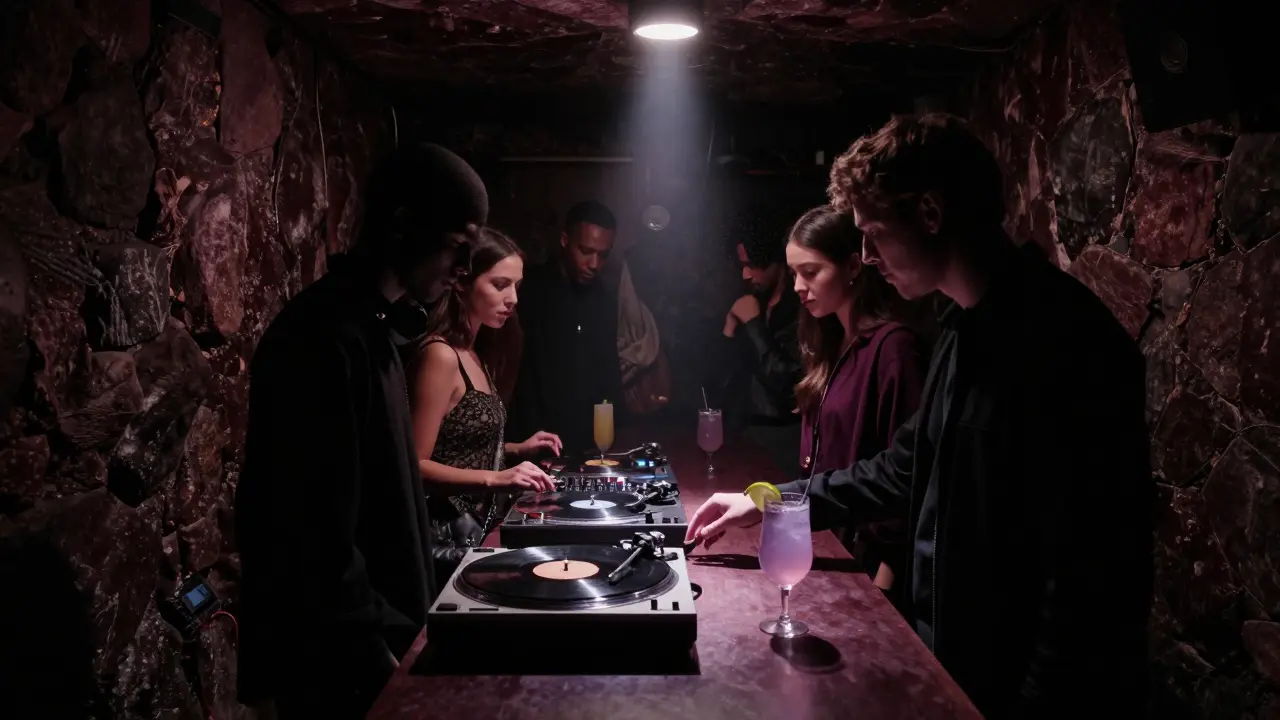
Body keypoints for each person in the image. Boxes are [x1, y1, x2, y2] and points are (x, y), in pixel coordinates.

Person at [685, 114, 1152, 718]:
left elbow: (1092, 575)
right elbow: (900, 470)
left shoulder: (1066, 337)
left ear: (930, 214)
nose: (869, 256)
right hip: (952, 659)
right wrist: (770, 499)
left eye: (874, 233)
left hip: (1013, 688)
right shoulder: (961, 325)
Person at [234, 143, 488, 718]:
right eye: (457, 247)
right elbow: (311, 533)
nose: (464, 270)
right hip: (342, 667)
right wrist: (381, 659)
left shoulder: (371, 331)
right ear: (404, 226)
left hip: (376, 647)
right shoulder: (324, 338)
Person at [785, 205, 924, 605]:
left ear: (852, 266)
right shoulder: (830, 341)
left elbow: (905, 476)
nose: (798, 285)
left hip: (868, 564)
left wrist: (885, 579)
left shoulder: (893, 348)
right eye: (794, 272)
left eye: (810, 272)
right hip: (828, 544)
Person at [405, 228, 560, 578]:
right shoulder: (440, 356)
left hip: (477, 529)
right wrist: (496, 478)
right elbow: (415, 464)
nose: (513, 299)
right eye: (500, 284)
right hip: (442, 538)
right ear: (461, 282)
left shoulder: (474, 353)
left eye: (516, 287)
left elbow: (459, 447)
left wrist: (518, 449)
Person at [508, 200, 627, 454]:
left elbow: (608, 368)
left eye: (603, 254)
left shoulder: (604, 297)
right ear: (564, 240)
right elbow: (520, 372)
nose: (594, 263)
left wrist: (615, 430)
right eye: (586, 250)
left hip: (589, 441)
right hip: (534, 438)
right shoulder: (530, 290)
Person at [712, 203, 803, 478]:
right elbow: (716, 384)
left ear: (776, 260)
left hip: (784, 437)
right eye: (742, 265)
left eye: (753, 264)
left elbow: (791, 386)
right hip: (741, 432)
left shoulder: (803, 307)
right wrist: (729, 330)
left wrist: (753, 326)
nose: (746, 274)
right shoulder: (749, 301)